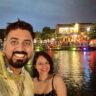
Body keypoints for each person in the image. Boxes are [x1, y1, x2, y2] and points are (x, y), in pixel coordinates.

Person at [0, 19, 35, 96]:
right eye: (14, 42)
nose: (20, 48)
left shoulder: (27, 77)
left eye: (27, 43)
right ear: (5, 44)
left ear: (33, 47)